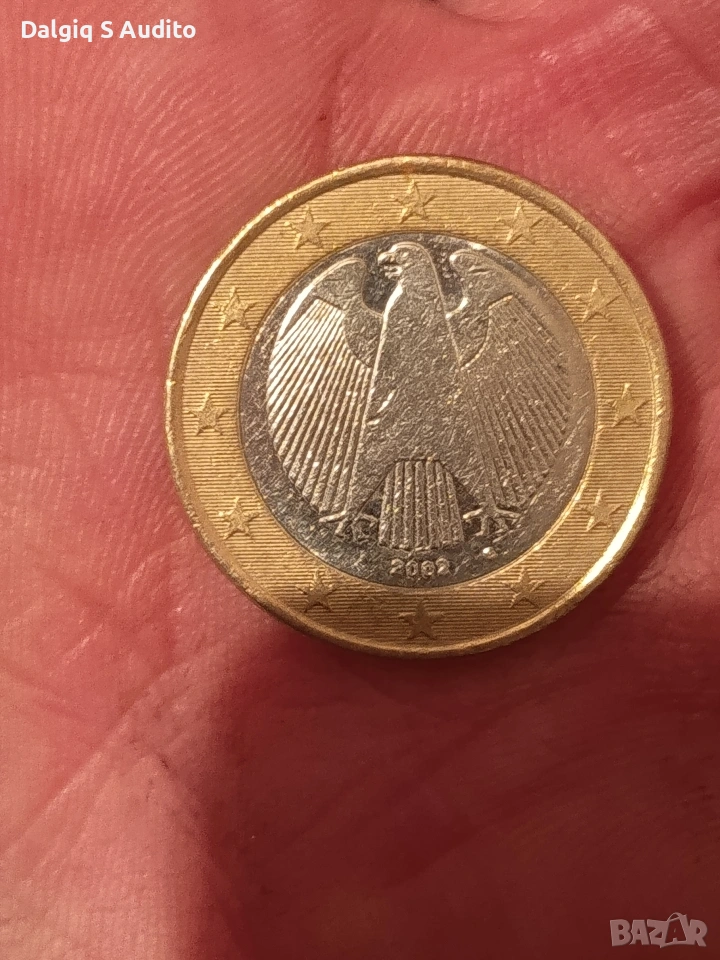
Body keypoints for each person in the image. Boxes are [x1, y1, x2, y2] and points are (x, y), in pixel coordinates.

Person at [2, 0, 718, 956]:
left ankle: (444, 506)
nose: (407, 262)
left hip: (436, 434)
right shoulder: (352, 305)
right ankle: (382, 505)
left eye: (408, 258)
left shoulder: (481, 303)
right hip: (388, 434)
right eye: (407, 259)